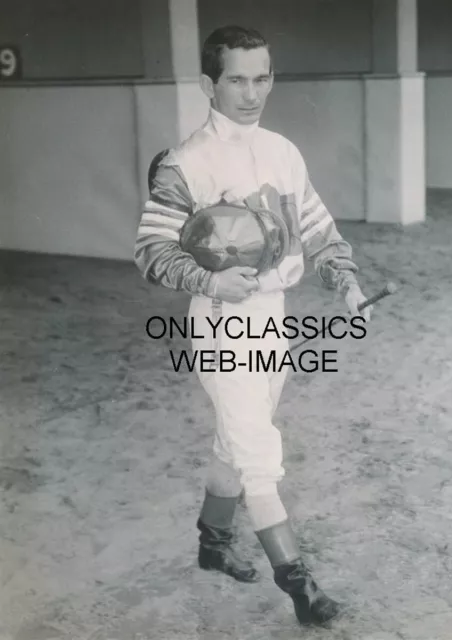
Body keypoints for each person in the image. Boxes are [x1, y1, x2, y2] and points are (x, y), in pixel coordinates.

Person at [134, 25, 372, 628]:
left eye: (260, 77)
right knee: (259, 452)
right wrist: (211, 283)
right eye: (236, 79)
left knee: (237, 437)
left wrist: (345, 282)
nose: (250, 92)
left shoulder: (283, 151)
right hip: (219, 321)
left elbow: (317, 227)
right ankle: (301, 586)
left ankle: (212, 545)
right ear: (208, 84)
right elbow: (151, 249)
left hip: (272, 316)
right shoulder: (186, 162)